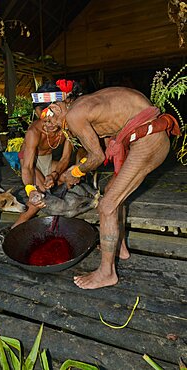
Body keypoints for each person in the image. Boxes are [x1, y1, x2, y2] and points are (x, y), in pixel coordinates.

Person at [37, 85, 180, 289]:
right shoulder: (83, 105)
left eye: (48, 117)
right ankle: (119, 248)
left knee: (106, 206)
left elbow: (98, 157)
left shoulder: (75, 115)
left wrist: (75, 172)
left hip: (149, 141)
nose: (50, 124)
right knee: (112, 192)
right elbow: (103, 142)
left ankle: (107, 273)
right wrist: (78, 168)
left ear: (56, 108)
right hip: (149, 137)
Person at [11, 81, 80, 228]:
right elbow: (27, 167)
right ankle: (15, 228)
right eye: (42, 119)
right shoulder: (34, 132)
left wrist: (54, 174)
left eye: (50, 118)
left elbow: (65, 158)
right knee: (39, 196)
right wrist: (30, 190)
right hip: (30, 162)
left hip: (47, 161)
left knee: (67, 177)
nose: (47, 124)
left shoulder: (67, 127)